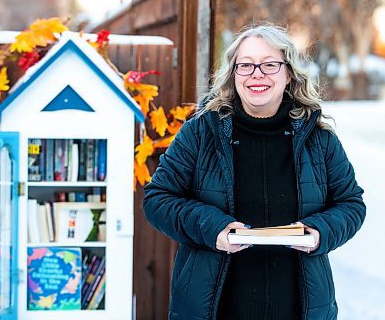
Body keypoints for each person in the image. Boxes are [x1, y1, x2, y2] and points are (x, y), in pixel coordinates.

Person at [143, 23, 366, 320]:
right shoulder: (200, 132)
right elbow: (158, 199)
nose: (256, 74)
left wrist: (318, 232)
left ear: (288, 74)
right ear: (233, 74)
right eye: (245, 65)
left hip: (300, 308)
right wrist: (214, 229)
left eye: (270, 65)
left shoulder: (319, 139)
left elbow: (351, 204)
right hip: (212, 309)